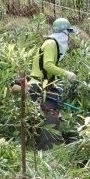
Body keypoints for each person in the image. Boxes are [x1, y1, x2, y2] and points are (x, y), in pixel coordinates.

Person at [28, 17, 77, 150]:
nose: (69, 39)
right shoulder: (51, 44)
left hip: (44, 84)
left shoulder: (53, 44)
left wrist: (53, 83)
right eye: (68, 34)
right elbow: (48, 65)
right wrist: (67, 74)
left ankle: (45, 147)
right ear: (64, 33)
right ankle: (49, 148)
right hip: (38, 85)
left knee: (47, 116)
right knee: (50, 116)